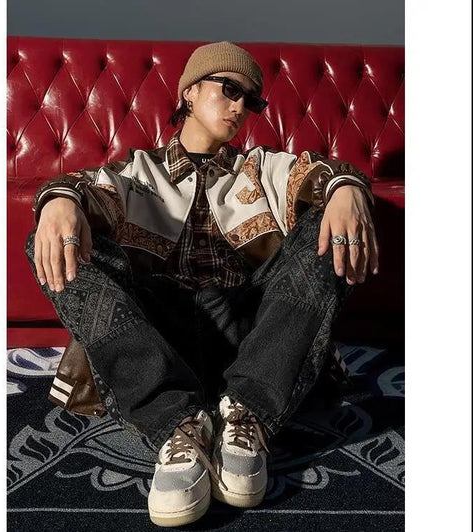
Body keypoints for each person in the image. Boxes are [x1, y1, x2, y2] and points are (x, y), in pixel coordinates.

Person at [24, 41, 378, 527]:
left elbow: (319, 174)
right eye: (229, 89)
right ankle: (177, 424)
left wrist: (347, 187)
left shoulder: (261, 167)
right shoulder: (139, 172)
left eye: (251, 100)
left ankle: (248, 414)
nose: (240, 107)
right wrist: (59, 200)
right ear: (189, 91)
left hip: (251, 332)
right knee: (50, 238)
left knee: (328, 227)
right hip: (158, 333)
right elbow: (87, 187)